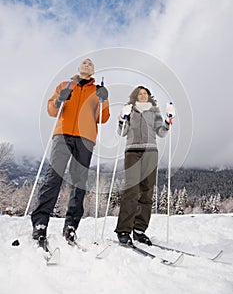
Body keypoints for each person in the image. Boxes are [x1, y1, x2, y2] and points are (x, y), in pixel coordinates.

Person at [31, 58, 110, 244]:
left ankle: (71, 226)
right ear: (78, 68)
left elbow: (103, 118)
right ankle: (40, 223)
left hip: (86, 138)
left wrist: (104, 100)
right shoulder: (64, 85)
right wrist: (59, 100)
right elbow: (51, 110)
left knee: (79, 181)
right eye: (84, 63)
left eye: (91, 64)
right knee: (53, 177)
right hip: (62, 134)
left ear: (93, 70)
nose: (87, 65)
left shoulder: (97, 90)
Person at [115, 86, 175, 246]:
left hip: (150, 151)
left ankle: (139, 230)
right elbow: (122, 132)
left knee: (147, 191)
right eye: (140, 93)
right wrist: (122, 120)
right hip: (132, 151)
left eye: (145, 93)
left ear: (149, 97)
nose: (143, 95)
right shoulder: (129, 110)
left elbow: (161, 132)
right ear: (135, 96)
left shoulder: (154, 112)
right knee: (132, 190)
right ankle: (123, 230)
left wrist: (168, 123)